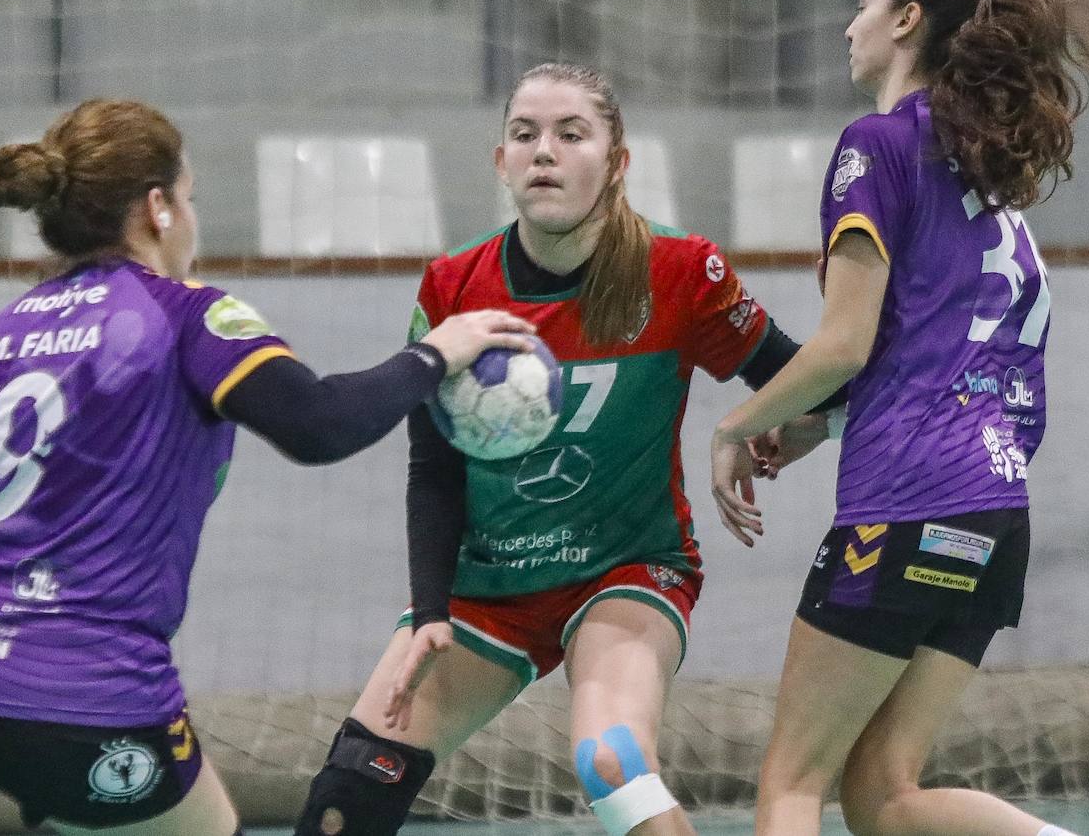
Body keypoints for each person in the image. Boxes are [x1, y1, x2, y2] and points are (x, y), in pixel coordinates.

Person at [0, 98, 534, 836]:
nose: (193, 217)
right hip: (87, 692)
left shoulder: (3, 331)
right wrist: (436, 354)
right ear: (157, 209)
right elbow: (318, 425)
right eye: (190, 197)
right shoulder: (186, 314)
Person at [292, 62, 843, 836]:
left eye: (569, 133)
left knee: (611, 763)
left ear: (617, 163)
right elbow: (434, 467)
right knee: (346, 798)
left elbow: (813, 383)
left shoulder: (680, 271)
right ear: (501, 162)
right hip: (489, 588)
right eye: (524, 134)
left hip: (624, 571)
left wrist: (756, 426)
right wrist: (427, 609)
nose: (543, 151)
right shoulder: (454, 285)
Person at [708, 0, 1088, 836]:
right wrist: (821, 425)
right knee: (883, 795)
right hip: (995, 515)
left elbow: (846, 343)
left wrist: (737, 423)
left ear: (907, 19)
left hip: (908, 500)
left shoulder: (874, 147)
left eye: (864, 0)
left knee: (792, 782)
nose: (850, 24)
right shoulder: (989, 174)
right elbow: (935, 353)